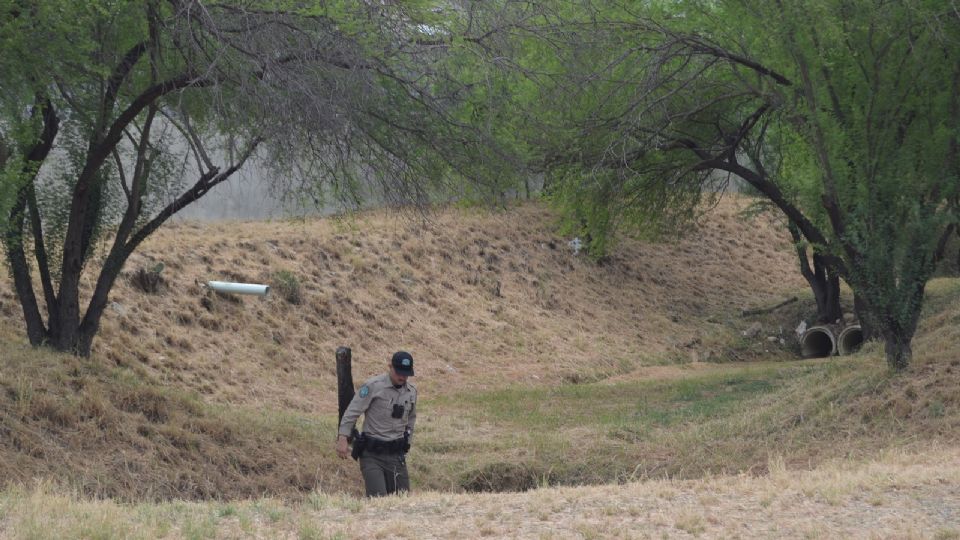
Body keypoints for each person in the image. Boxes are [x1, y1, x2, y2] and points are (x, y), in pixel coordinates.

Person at [336, 351, 418, 497]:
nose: (402, 377)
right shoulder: (373, 386)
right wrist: (342, 437)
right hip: (372, 454)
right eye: (399, 372)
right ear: (390, 367)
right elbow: (352, 412)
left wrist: (408, 442)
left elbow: (411, 419)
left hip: (396, 454)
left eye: (406, 374)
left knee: (403, 500)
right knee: (378, 500)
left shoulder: (411, 392)